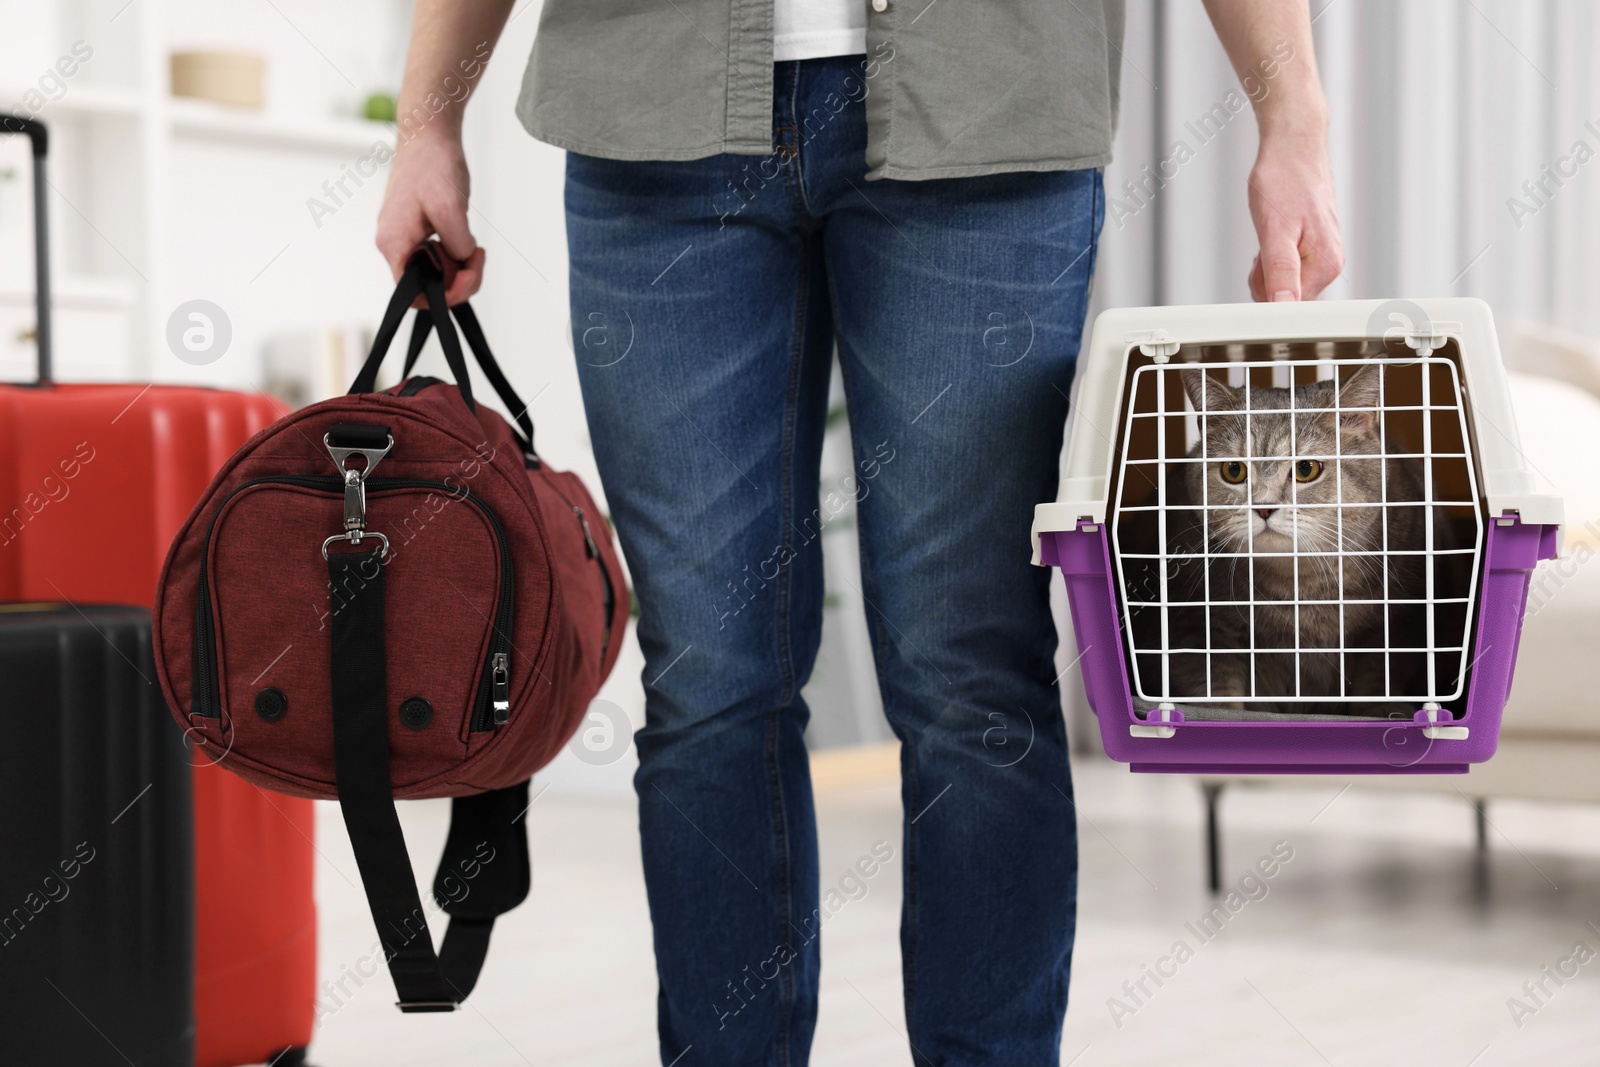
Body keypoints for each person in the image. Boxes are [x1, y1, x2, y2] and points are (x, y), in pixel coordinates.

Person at [376, 1, 1343, 1062]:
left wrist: (1291, 113)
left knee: (968, 667)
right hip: (651, 104)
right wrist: (427, 121)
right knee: (706, 681)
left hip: (990, 100)